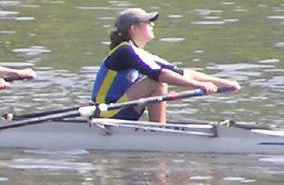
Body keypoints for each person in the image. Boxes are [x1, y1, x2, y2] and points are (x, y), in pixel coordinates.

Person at [92, 8, 240, 123]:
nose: (152, 24)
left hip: (123, 110)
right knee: (157, 81)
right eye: (147, 22)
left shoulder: (140, 53)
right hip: (107, 113)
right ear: (133, 28)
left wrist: (225, 83)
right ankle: (158, 130)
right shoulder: (124, 51)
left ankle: (158, 129)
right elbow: (160, 75)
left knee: (162, 79)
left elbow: (181, 72)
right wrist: (199, 85)